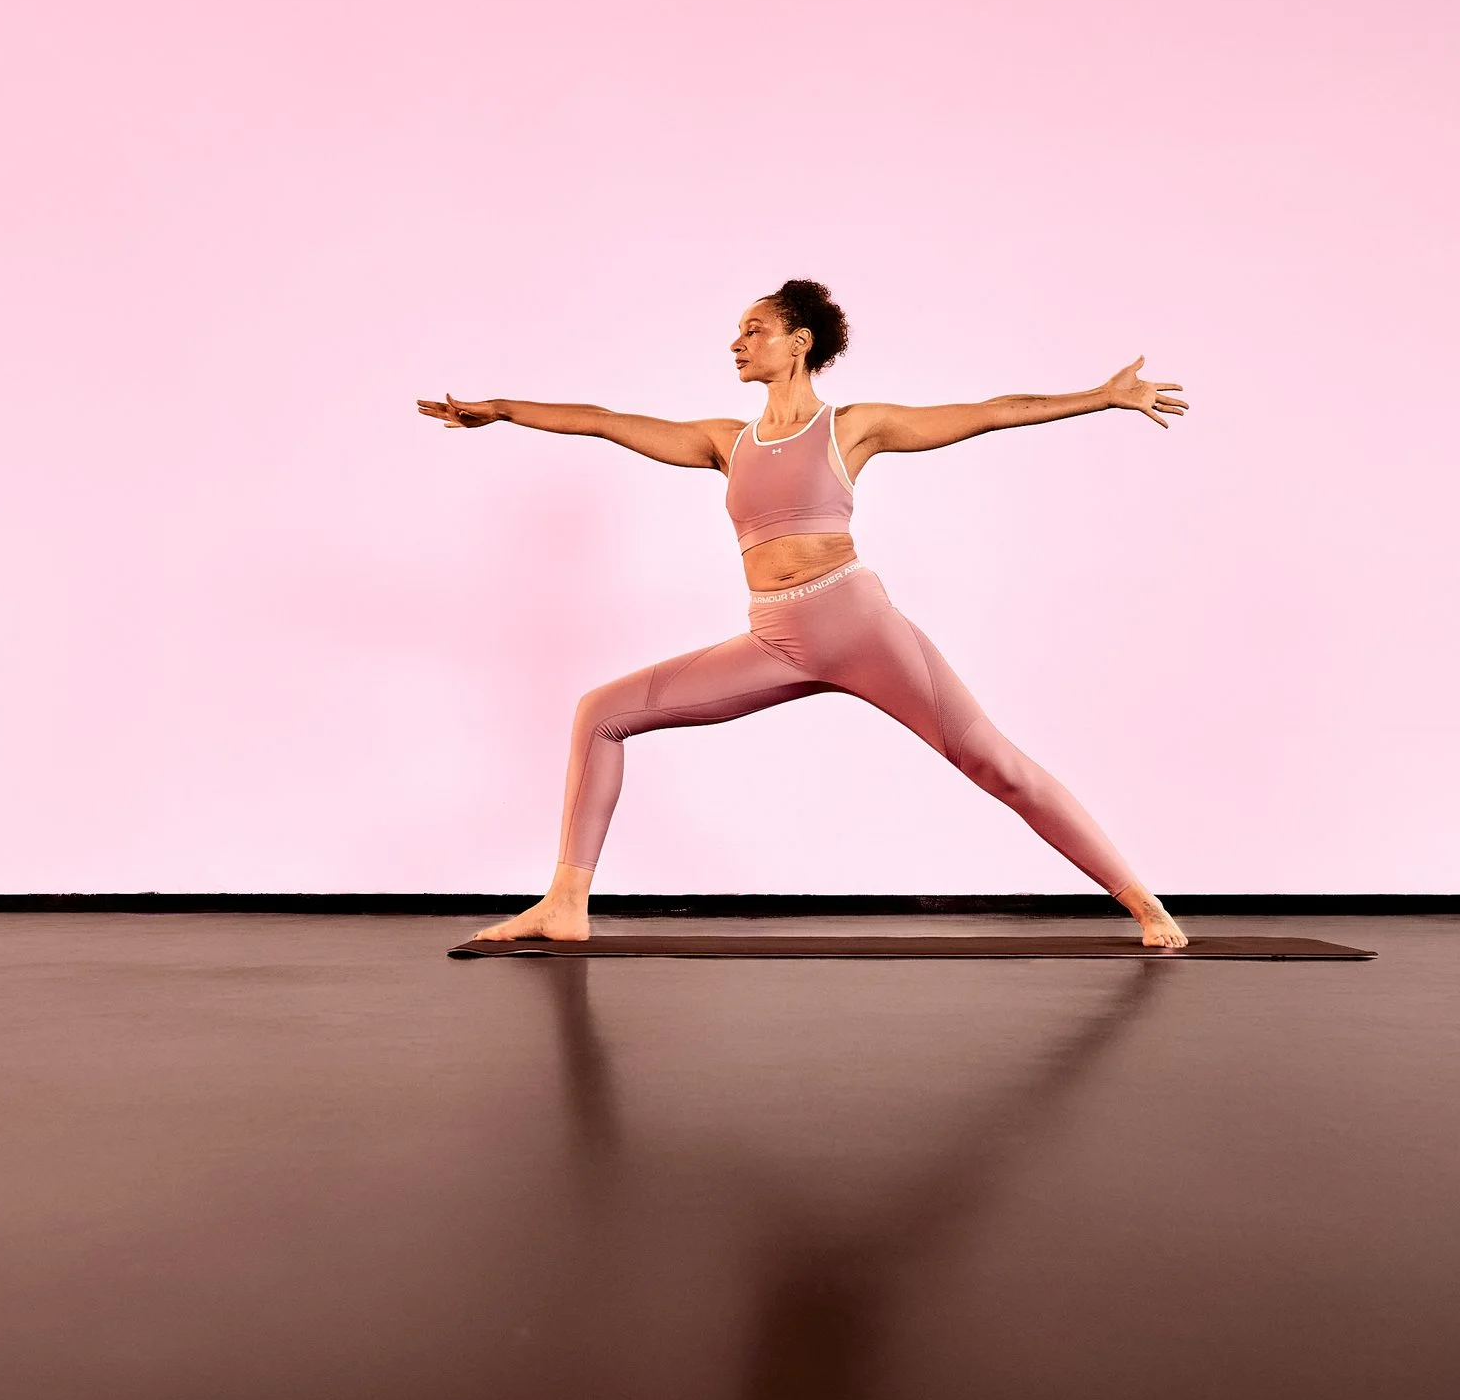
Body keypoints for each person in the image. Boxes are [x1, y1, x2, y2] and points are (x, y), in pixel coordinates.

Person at [418, 278, 1190, 948]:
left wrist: (1101, 397)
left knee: (995, 762)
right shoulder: (727, 441)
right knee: (601, 713)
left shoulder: (851, 426)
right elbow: (603, 419)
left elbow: (989, 412)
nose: (736, 342)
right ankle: (565, 903)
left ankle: (1144, 903)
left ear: (799, 342)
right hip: (775, 640)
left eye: (753, 329)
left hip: (858, 627)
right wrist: (505, 410)